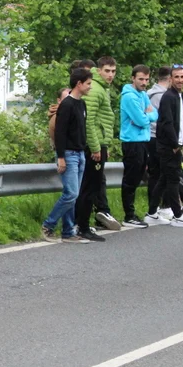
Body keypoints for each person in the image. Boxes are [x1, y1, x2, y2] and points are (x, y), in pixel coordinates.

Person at [40, 69, 92, 244]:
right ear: (79, 84)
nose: (90, 87)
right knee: (71, 194)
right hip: (68, 154)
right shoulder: (67, 105)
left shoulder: (81, 104)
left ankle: (68, 231)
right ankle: (48, 225)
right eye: (88, 83)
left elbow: (81, 130)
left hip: (80, 153)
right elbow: (60, 133)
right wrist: (61, 157)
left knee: (72, 195)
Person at [75, 56, 121, 241]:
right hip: (93, 145)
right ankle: (83, 227)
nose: (110, 75)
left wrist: (104, 145)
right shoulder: (95, 89)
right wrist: (96, 148)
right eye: (107, 71)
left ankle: (82, 225)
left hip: (99, 143)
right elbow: (89, 122)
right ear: (99, 70)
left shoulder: (101, 87)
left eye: (113, 71)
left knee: (91, 186)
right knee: (90, 187)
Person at [151, 65, 183, 228]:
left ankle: (151, 213)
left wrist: (182, 142)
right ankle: (178, 215)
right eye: (176, 77)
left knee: (164, 179)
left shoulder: (180, 95)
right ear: (170, 79)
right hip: (168, 146)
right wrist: (175, 144)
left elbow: (180, 121)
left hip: (176, 145)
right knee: (172, 180)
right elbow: (166, 122)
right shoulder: (168, 97)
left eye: (182, 77)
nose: (179, 80)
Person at [119, 65, 158, 228]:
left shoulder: (143, 95)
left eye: (146, 79)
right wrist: (146, 116)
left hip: (143, 141)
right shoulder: (129, 97)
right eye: (141, 79)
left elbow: (155, 114)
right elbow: (141, 120)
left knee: (137, 178)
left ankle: (132, 214)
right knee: (131, 179)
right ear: (133, 78)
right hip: (132, 142)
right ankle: (129, 215)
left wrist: (147, 115)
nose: (144, 83)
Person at [144, 66, 172, 224]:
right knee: (161, 173)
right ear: (169, 78)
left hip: (150, 136)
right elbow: (165, 118)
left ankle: (156, 208)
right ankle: (159, 208)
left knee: (156, 174)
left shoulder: (149, 93)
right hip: (158, 137)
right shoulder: (163, 96)